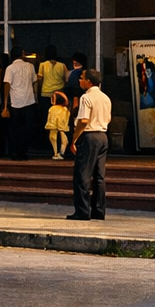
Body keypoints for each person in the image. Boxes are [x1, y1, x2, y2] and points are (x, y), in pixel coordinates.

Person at [67, 69, 111, 220]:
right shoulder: (105, 98)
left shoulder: (86, 97)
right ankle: (99, 210)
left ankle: (82, 211)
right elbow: (108, 119)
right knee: (99, 176)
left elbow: (84, 120)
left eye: (82, 78)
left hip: (90, 136)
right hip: (103, 136)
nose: (80, 80)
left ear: (89, 82)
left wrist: (74, 138)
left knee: (82, 175)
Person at [2, 47, 37, 160]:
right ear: (22, 54)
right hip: (29, 100)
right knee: (28, 129)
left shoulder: (10, 68)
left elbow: (7, 85)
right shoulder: (30, 66)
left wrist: (5, 104)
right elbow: (35, 82)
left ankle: (14, 152)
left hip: (15, 102)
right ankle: (23, 152)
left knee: (14, 129)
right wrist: (36, 98)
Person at [37, 45, 67, 148]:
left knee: (47, 120)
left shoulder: (42, 65)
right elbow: (66, 79)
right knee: (60, 120)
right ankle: (59, 143)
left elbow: (39, 80)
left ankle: (47, 143)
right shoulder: (62, 65)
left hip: (45, 94)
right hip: (59, 95)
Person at [46, 91, 71, 160]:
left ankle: (61, 152)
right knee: (53, 139)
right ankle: (56, 153)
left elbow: (63, 119)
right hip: (54, 127)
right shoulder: (53, 109)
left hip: (60, 128)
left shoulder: (63, 109)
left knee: (62, 140)